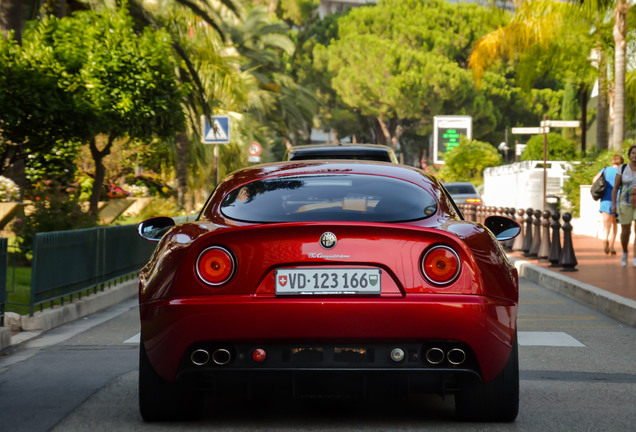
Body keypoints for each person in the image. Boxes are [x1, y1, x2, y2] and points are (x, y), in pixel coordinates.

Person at [593, 154, 624, 255]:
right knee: (615, 223)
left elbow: (594, 180)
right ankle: (611, 246)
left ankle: (605, 239)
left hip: (606, 199)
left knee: (607, 224)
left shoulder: (605, 170)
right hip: (618, 200)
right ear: (621, 162)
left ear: (612, 161)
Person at [611, 145, 636, 267]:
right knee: (626, 231)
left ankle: (635, 256)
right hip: (625, 203)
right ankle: (625, 251)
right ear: (629, 155)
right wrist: (613, 205)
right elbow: (615, 187)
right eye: (633, 153)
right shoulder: (622, 168)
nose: (635, 155)